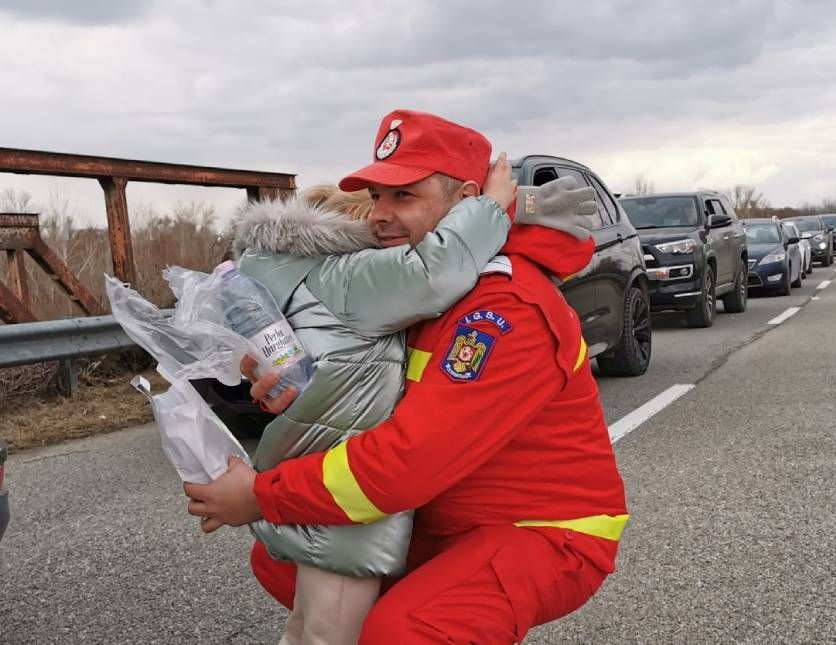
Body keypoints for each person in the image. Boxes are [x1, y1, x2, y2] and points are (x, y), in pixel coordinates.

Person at [186, 109, 629, 643]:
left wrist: (262, 494)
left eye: (404, 197)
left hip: (541, 532)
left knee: (405, 631)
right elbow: (366, 389)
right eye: (376, 197)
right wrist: (301, 389)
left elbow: (406, 462)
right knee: (281, 560)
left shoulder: (503, 308)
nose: (379, 215)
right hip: (443, 517)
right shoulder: (424, 286)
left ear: (467, 201)